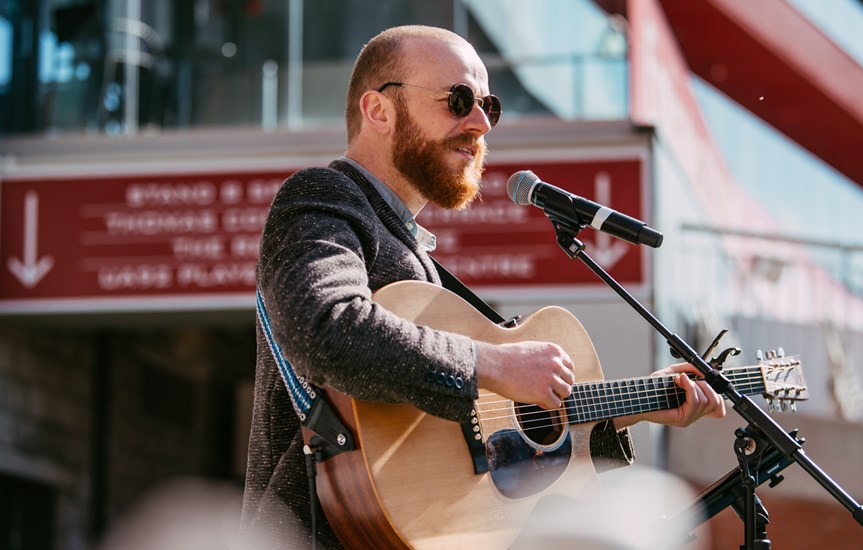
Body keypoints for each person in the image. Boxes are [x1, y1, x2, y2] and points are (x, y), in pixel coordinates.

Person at [241, 24, 725, 549]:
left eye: (487, 107)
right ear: (378, 111)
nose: (479, 124)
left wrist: (637, 404)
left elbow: (469, 436)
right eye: (458, 100)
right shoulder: (323, 197)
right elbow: (324, 329)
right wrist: (494, 365)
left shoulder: (412, 253)